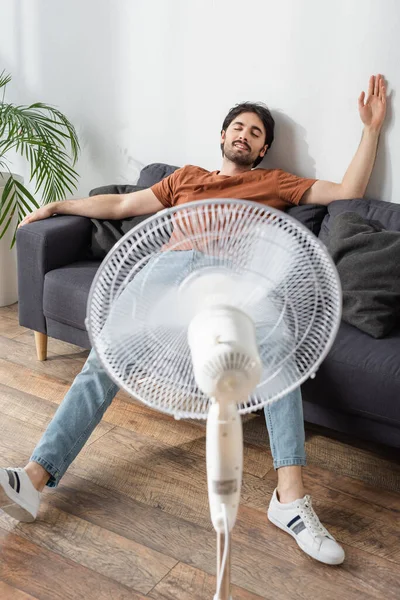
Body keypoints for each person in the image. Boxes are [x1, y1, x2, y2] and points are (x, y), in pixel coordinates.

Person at [0, 74, 386, 566]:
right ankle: (34, 478)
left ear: (263, 148)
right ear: (222, 136)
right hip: (172, 269)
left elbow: (347, 192)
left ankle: (289, 500)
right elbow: (120, 205)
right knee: (106, 358)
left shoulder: (276, 182)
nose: (244, 136)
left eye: (255, 132)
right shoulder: (184, 178)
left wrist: (371, 129)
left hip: (240, 281)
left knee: (282, 349)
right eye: (237, 128)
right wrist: (57, 204)